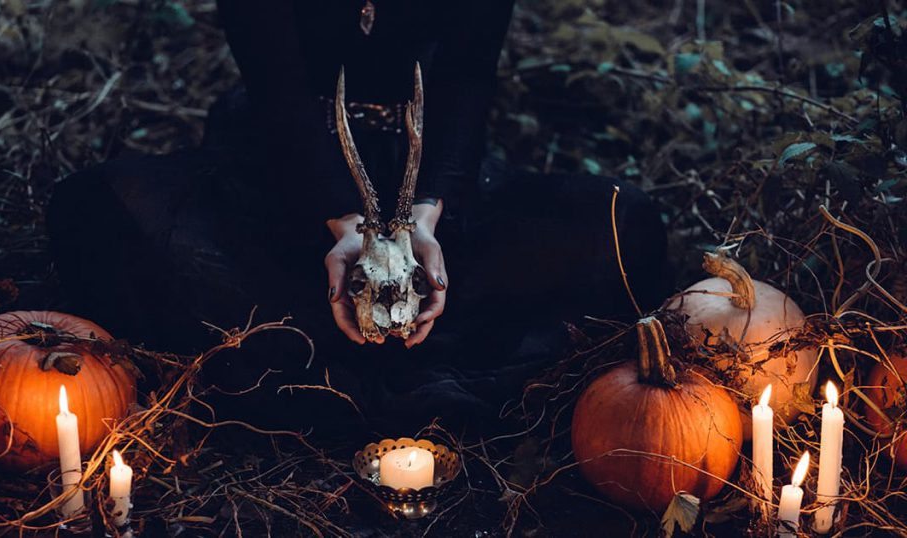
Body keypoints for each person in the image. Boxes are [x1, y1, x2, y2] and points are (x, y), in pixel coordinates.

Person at [47, 0, 670, 432]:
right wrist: (342, 222)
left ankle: (329, 337)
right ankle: (355, 340)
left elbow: (468, 73)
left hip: (432, 174)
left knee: (624, 228)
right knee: (96, 212)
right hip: (285, 171)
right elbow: (275, 84)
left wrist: (425, 214)